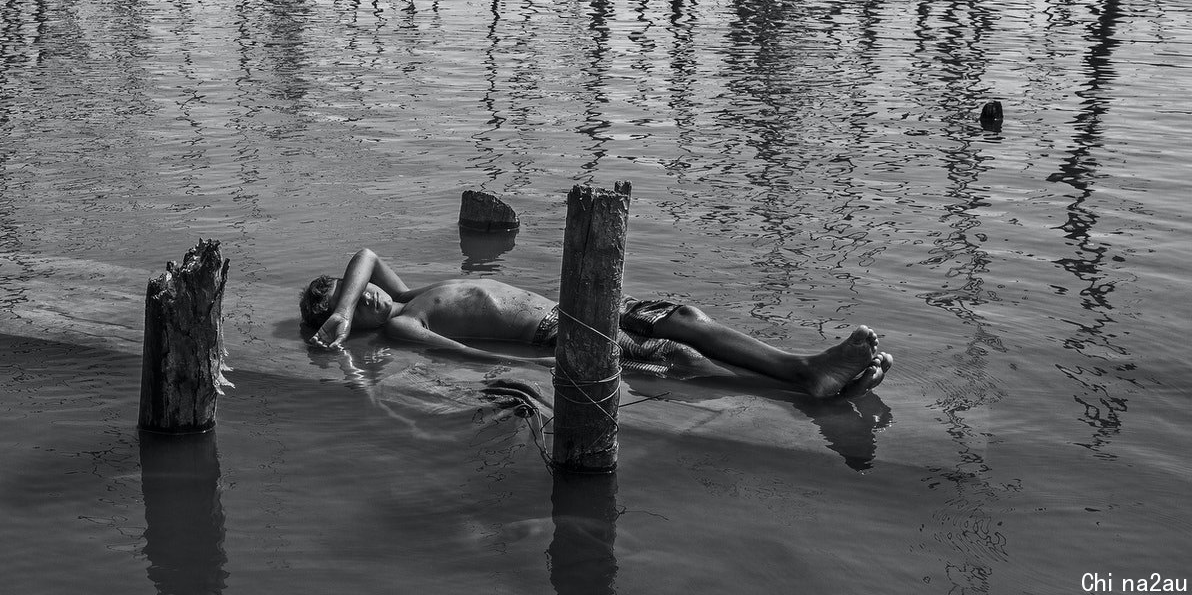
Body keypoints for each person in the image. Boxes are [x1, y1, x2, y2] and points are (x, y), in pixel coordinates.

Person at [302, 247, 892, 399]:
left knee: (682, 317)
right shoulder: (403, 324)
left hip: (576, 303)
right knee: (675, 359)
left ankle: (807, 370)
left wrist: (344, 306)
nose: (372, 299)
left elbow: (364, 255)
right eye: (358, 307)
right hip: (554, 333)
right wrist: (533, 367)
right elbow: (470, 358)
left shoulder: (406, 290)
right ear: (354, 328)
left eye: (363, 295)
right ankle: (805, 380)